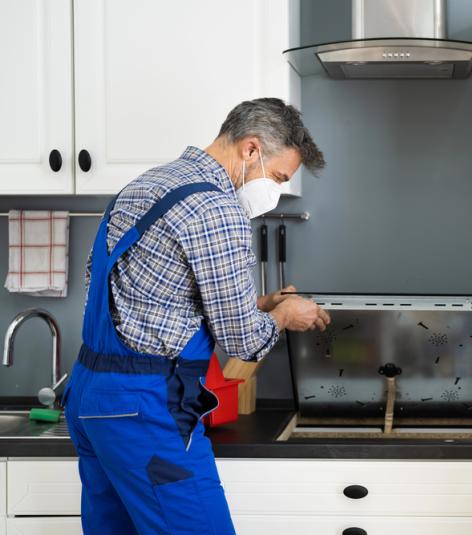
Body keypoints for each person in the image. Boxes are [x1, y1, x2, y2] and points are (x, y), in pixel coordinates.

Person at [63, 97, 331, 534]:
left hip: (91, 400)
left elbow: (147, 297)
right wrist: (285, 316)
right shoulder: (217, 210)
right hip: (143, 411)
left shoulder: (146, 185)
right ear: (250, 150)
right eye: (278, 177)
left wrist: (260, 303)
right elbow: (246, 343)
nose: (276, 190)